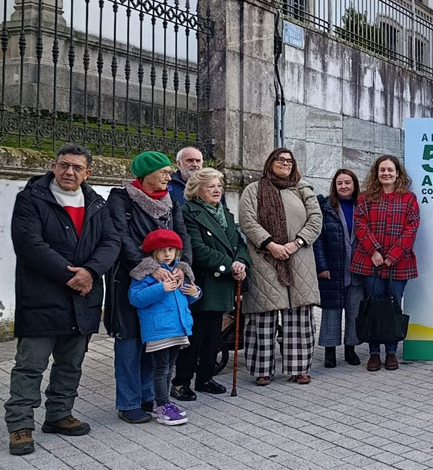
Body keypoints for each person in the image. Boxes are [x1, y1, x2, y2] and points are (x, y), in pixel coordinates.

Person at [5, 144, 121, 456]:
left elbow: (112, 241)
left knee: (71, 363)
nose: (70, 172)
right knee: (30, 365)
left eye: (77, 168)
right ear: (53, 166)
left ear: (88, 173)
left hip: (84, 297)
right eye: (64, 165)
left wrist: (92, 272)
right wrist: (72, 275)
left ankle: (58, 414)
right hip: (43, 296)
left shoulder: (97, 203)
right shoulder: (32, 198)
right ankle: (20, 425)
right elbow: (30, 243)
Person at [105, 151, 192, 423]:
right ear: (145, 175)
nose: (169, 176)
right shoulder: (120, 198)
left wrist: (182, 265)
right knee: (130, 341)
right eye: (164, 172)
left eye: (169, 171)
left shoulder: (171, 202)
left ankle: (148, 396)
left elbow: (182, 235)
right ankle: (128, 402)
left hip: (166, 276)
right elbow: (120, 235)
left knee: (154, 340)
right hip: (131, 276)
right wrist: (149, 267)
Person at [238, 148, 323, 385]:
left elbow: (316, 220)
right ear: (270, 162)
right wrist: (271, 244)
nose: (285, 163)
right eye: (280, 159)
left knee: (299, 317)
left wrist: (296, 243)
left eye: (289, 160)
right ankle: (262, 369)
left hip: (299, 258)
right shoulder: (253, 189)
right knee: (262, 316)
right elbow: (247, 221)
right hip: (265, 257)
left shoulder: (302, 189)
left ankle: (299, 368)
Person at [179, 167, 250, 396]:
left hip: (222, 284)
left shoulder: (225, 213)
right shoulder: (189, 212)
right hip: (203, 283)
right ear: (197, 190)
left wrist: (241, 262)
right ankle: (181, 382)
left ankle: (205, 378)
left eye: (219, 186)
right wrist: (230, 266)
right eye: (211, 186)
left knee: (213, 336)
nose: (217, 190)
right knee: (194, 337)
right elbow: (197, 249)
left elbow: (239, 244)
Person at [350, 155, 420, 372]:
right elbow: (360, 225)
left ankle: (391, 352)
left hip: (399, 264)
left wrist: (393, 255)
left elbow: (411, 228)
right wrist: (374, 251)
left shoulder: (409, 199)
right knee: (373, 305)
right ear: (376, 173)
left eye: (390, 170)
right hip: (371, 262)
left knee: (393, 306)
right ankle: (373, 353)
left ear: (398, 173)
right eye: (382, 170)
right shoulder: (366, 197)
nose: (386, 174)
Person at [128, 229, 201, 426]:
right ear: (153, 253)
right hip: (159, 330)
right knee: (160, 368)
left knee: (169, 367)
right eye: (162, 250)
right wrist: (161, 288)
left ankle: (161, 402)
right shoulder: (146, 273)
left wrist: (195, 292)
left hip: (178, 328)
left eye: (171, 249)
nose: (168, 254)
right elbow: (136, 298)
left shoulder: (180, 271)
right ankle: (162, 404)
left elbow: (187, 297)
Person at [315, 169, 363, 368]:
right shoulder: (325, 207)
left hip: (358, 269)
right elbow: (317, 240)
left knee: (355, 310)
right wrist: (322, 265)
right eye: (339, 183)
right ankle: (330, 351)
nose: (344, 186)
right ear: (334, 186)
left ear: (354, 185)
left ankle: (351, 349)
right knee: (331, 311)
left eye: (347, 182)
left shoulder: (363, 206)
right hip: (333, 268)